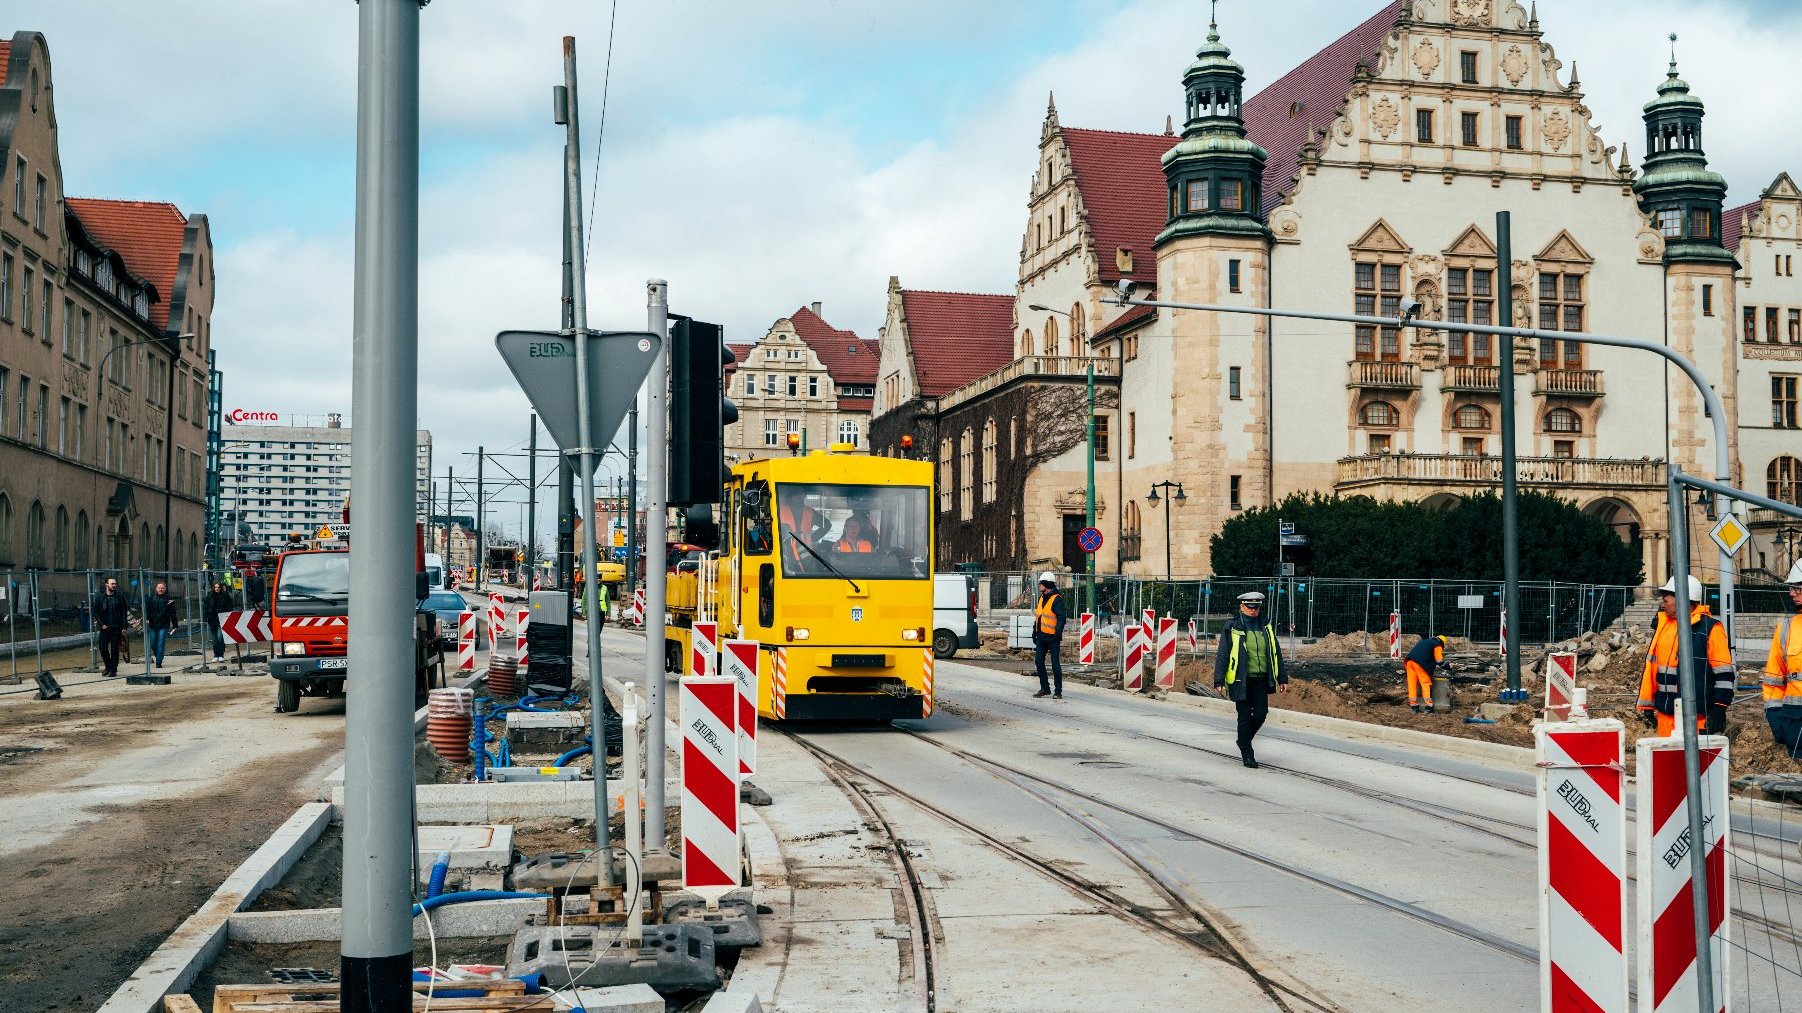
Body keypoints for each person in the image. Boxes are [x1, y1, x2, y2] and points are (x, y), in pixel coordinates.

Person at [1636, 575, 1734, 737]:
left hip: (1697, 717)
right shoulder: (1664, 627)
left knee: (1697, 762)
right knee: (1669, 761)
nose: (1663, 600)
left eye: (1668, 595)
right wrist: (1648, 705)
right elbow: (1653, 669)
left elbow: (1724, 674)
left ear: (1684, 598)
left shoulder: (1711, 629)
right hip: (1666, 715)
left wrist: (1719, 708)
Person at [1213, 590, 1289, 768]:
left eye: (1257, 607)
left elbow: (1275, 653)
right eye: (1250, 607)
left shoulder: (1266, 625)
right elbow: (1223, 654)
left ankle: (1243, 740)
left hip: (1261, 679)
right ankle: (1248, 753)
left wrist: (1282, 677)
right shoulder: (1232, 626)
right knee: (1245, 716)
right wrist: (1219, 680)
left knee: (1261, 714)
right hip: (1241, 680)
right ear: (1242, 606)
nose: (1254, 610)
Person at [1763, 560, 1802, 757]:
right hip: (1794, 725)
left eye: (1797, 588)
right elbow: (1773, 679)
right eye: (1791, 588)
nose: (1792, 593)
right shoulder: (1786, 628)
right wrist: (1776, 717)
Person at [1032, 572, 1066, 699]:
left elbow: (1061, 618)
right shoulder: (1041, 598)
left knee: (1055, 664)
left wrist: (1057, 633)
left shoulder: (1056, 599)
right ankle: (1045, 688)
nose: (1039, 584)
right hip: (1041, 637)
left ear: (1047, 584)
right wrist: (1034, 632)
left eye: (1041, 583)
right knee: (1038, 661)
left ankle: (1058, 691)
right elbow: (1038, 616)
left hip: (1052, 637)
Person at [1403, 634, 1450, 714]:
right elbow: (1440, 662)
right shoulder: (1437, 645)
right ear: (1442, 643)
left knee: (1412, 684)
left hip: (1409, 662)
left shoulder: (1425, 641)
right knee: (1426, 683)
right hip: (1420, 664)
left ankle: (1414, 707)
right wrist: (1449, 666)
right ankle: (1429, 707)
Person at [93, 577, 128, 678]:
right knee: (102, 647)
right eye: (112, 584)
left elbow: (124, 613)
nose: (114, 585)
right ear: (106, 585)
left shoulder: (120, 597)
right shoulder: (100, 597)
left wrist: (124, 627)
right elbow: (96, 612)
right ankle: (108, 666)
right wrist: (101, 624)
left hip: (117, 627)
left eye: (115, 584)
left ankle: (113, 670)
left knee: (114, 649)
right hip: (105, 627)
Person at [145, 581, 179, 668]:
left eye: (162, 588)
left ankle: (159, 661)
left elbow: (173, 613)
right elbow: (147, 610)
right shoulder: (151, 598)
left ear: (165, 589)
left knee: (161, 643)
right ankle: (158, 655)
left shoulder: (169, 599)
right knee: (152, 643)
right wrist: (147, 619)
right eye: (159, 588)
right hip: (153, 624)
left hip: (164, 625)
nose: (161, 589)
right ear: (156, 589)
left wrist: (175, 625)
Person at [206, 578, 234, 660]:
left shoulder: (225, 596)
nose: (217, 589)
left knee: (219, 637)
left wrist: (227, 616)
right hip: (212, 619)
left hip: (221, 619)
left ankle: (221, 655)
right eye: (215, 587)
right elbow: (206, 607)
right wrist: (205, 618)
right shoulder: (210, 596)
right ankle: (216, 655)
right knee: (214, 638)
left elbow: (230, 606)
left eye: (218, 587)